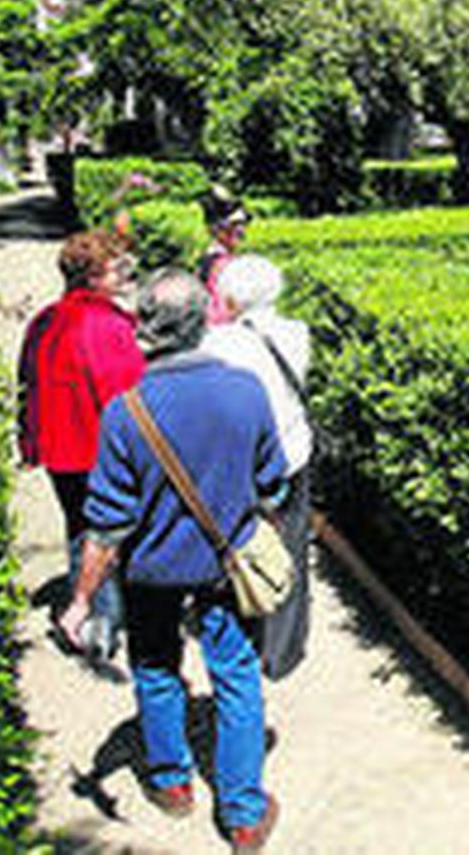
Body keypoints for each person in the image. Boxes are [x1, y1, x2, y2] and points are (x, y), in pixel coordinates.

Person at [58, 269, 287, 851]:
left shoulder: (125, 411)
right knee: (236, 676)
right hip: (224, 566)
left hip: (152, 573)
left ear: (145, 330)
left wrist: (82, 600)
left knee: (157, 667)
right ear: (201, 323)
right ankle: (241, 814)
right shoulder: (246, 390)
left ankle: (171, 783)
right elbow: (273, 485)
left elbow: (106, 526)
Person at [19, 229, 145, 659]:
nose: (124, 275)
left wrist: (30, 441)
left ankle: (90, 619)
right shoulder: (108, 326)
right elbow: (126, 397)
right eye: (115, 269)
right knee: (109, 533)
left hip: (58, 449)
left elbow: (27, 384)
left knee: (79, 528)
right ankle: (103, 621)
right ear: (92, 277)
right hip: (99, 449)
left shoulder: (44, 320)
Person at [202, 255, 314, 680]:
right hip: (292, 453)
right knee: (291, 544)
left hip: (240, 462)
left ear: (228, 297)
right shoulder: (296, 334)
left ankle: (246, 629)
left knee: (241, 545)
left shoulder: (217, 343)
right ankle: (283, 649)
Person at [198, 185, 251, 326]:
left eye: (243, 225)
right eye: (233, 226)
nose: (240, 231)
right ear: (217, 229)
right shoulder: (222, 264)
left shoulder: (211, 257)